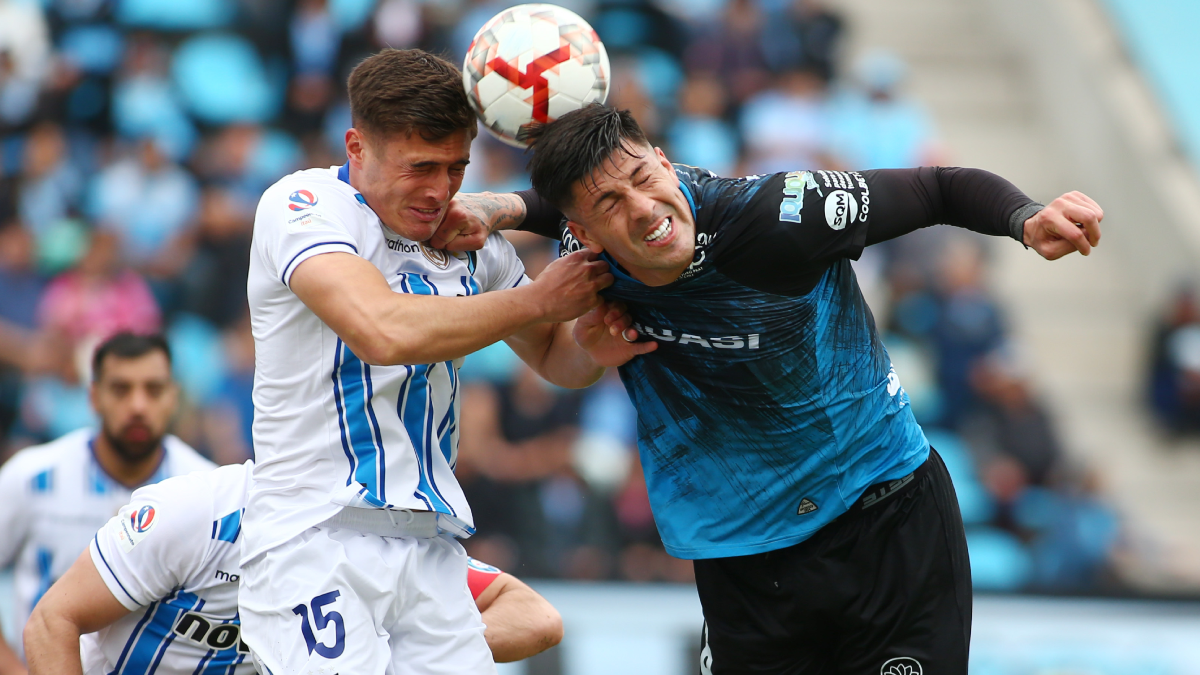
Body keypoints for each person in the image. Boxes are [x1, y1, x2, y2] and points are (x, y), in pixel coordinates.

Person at [434, 103, 1103, 673]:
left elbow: (936, 187)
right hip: (746, 561)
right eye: (611, 204)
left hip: (888, 519)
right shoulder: (587, 269)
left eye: (646, 177)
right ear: (581, 232)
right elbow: (565, 282)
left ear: (666, 163)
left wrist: (1026, 217)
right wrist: (508, 214)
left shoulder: (784, 216)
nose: (644, 209)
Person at [239, 50, 646, 675]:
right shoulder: (305, 207)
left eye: (456, 168)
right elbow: (380, 330)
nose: (438, 190)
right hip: (316, 533)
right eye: (419, 168)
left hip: (432, 547)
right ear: (356, 146)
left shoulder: (466, 239)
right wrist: (538, 297)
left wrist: (596, 339)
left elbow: (556, 359)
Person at [22, 462, 563, 674]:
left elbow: (535, 619)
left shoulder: (371, 534)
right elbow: (52, 623)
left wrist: (395, 652)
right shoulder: (197, 513)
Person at [0, 333, 214, 674]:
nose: (138, 406)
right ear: (94, 397)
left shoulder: (206, 491)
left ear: (174, 397)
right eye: (121, 389)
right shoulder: (32, 476)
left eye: (153, 389)